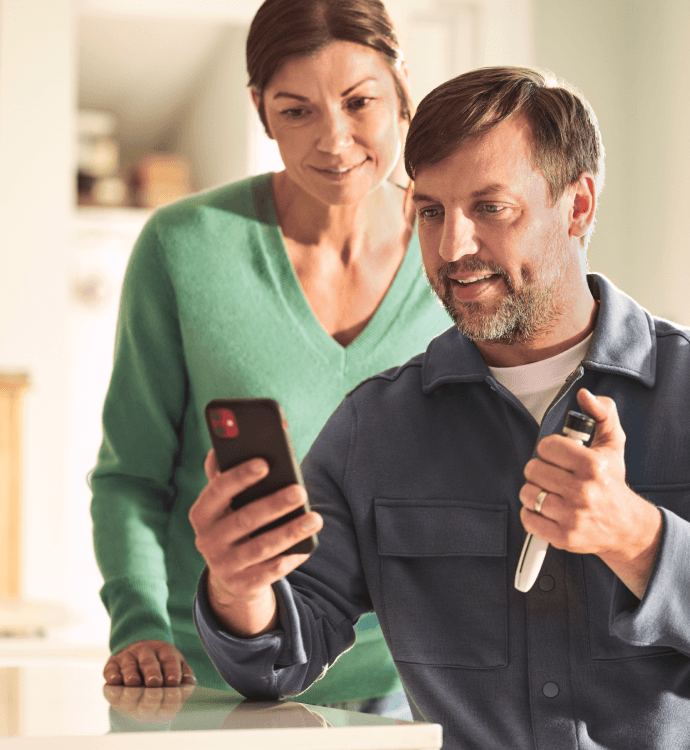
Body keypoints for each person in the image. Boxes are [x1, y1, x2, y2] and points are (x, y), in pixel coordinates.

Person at [191, 66, 690, 749]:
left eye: (491, 208)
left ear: (577, 209)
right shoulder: (375, 427)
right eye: (430, 212)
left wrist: (638, 539)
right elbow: (284, 653)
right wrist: (238, 587)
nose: (452, 248)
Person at [89, 0, 452, 715]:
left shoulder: (459, 249)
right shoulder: (182, 247)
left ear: (402, 85)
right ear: (260, 109)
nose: (335, 138)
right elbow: (131, 479)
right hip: (217, 687)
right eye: (296, 111)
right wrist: (137, 629)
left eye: (359, 102)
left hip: (414, 690)